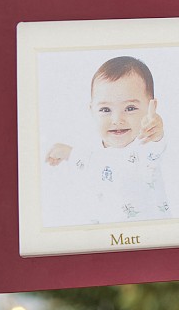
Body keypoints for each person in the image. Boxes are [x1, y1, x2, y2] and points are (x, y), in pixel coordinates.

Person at [44, 56, 170, 225]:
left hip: (147, 234)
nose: (117, 119)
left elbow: (156, 148)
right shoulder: (95, 149)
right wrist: (68, 152)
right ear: (92, 110)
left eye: (130, 108)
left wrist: (156, 130)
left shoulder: (145, 144)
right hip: (105, 231)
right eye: (105, 109)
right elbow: (88, 160)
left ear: (150, 108)